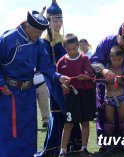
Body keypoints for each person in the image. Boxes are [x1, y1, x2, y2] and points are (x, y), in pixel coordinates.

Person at [0, 7, 70, 157]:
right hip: (9, 93)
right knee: (10, 129)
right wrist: (1, 83)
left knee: (28, 128)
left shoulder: (37, 43)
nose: (39, 36)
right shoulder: (8, 38)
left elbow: (45, 66)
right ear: (28, 26)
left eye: (40, 33)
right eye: (37, 32)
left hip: (28, 92)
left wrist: (58, 77)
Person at [35, 1, 82, 156]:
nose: (59, 23)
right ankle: (55, 147)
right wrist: (58, 78)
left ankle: (71, 145)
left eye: (60, 20)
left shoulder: (62, 38)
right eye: (55, 20)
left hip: (68, 79)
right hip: (55, 81)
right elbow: (46, 66)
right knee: (60, 111)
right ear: (48, 20)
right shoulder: (45, 40)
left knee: (68, 110)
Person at [90, 20, 124, 151]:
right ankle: (106, 144)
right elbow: (95, 61)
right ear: (118, 35)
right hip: (104, 86)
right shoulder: (106, 42)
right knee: (104, 115)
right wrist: (103, 70)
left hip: (123, 86)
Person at [57, 33, 96, 157]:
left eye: (74, 48)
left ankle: (84, 148)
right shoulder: (61, 62)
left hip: (85, 94)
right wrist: (63, 85)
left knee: (85, 122)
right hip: (71, 97)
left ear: (78, 46)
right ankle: (62, 150)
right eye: (69, 49)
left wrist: (85, 77)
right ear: (65, 48)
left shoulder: (84, 58)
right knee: (68, 123)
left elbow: (91, 76)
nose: (72, 51)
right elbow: (59, 81)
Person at [102, 46, 124, 154]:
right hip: (108, 98)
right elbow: (98, 79)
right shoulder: (105, 69)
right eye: (114, 59)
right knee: (109, 124)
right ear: (110, 58)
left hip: (121, 97)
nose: (116, 62)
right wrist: (104, 76)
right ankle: (110, 147)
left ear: (123, 59)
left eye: (119, 59)